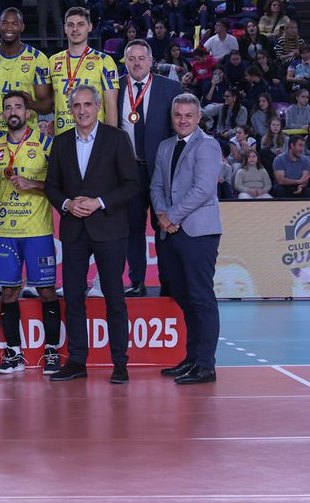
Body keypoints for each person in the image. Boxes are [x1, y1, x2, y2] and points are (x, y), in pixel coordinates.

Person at [45, 84, 139, 383]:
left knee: (114, 298)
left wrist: (99, 202)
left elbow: (131, 184)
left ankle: (120, 363)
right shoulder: (60, 143)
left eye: (87, 104)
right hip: (74, 230)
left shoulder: (117, 138)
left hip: (109, 229)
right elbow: (51, 186)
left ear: (98, 107)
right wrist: (67, 204)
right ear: (70, 109)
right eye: (77, 105)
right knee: (73, 299)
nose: (82, 110)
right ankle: (76, 361)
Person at [0, 91, 62, 376]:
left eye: (18, 107)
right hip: (6, 232)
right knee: (9, 292)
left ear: (28, 112)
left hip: (38, 231)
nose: (13, 112)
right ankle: (13, 353)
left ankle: (52, 351)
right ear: (3, 113)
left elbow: (59, 186)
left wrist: (32, 183)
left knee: (46, 290)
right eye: (8, 107)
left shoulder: (46, 143)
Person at [150, 92, 223, 385]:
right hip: (170, 231)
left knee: (201, 298)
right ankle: (192, 359)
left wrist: (171, 216)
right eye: (178, 115)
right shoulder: (165, 146)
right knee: (183, 296)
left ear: (199, 117)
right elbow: (156, 186)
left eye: (188, 116)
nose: (183, 120)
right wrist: (162, 214)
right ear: (172, 117)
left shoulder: (208, 145)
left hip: (198, 233)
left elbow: (203, 189)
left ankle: (205, 365)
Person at [117, 40, 183, 297]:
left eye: (141, 58)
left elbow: (179, 130)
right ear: (125, 62)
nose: (136, 63)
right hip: (128, 170)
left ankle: (168, 282)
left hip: (160, 171)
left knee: (163, 226)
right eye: (131, 58)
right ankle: (136, 282)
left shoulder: (170, 88)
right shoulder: (115, 88)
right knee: (132, 228)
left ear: (151, 60)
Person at [0, 7, 54, 140]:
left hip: (26, 132)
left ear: (22, 27)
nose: (9, 27)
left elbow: (48, 105)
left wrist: (30, 104)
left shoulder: (38, 59)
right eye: (5, 23)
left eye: (14, 23)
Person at [49, 7, 119, 136]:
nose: (75, 29)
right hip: (62, 137)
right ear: (65, 28)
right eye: (70, 25)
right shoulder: (53, 61)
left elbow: (111, 106)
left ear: (90, 27)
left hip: (95, 138)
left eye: (80, 24)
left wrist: (109, 141)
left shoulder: (104, 61)